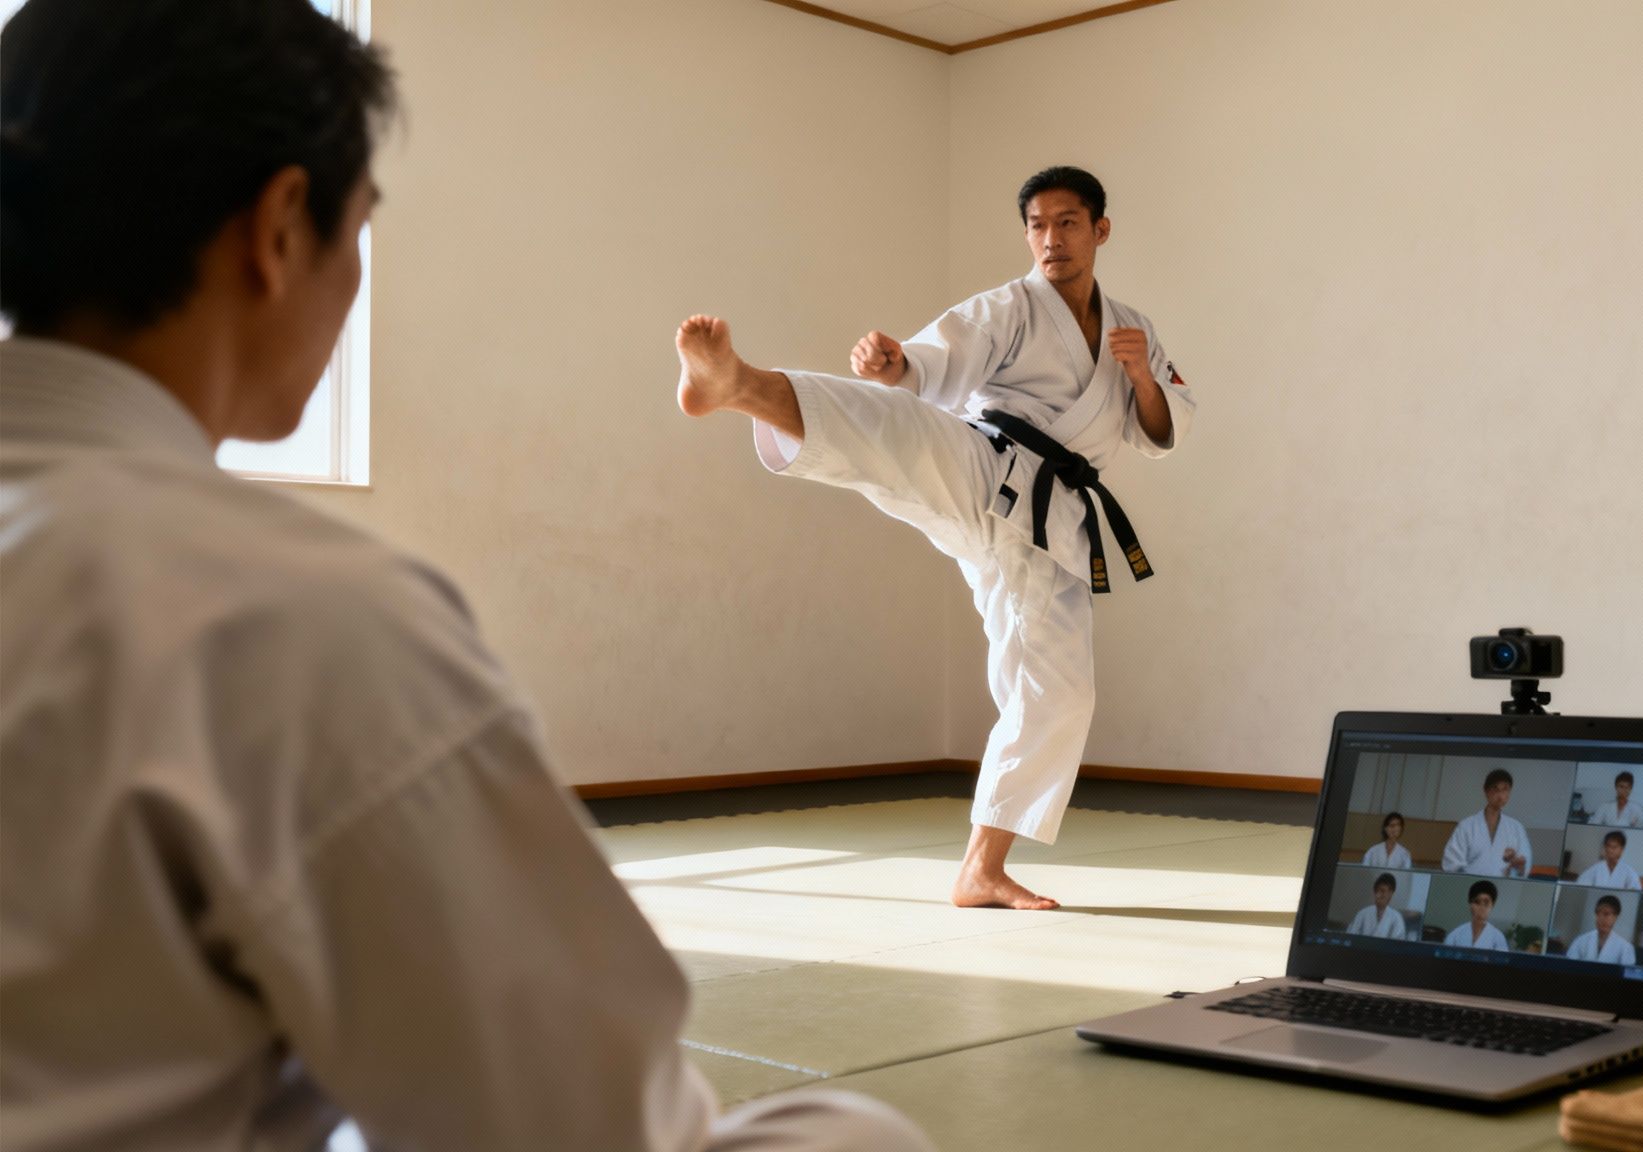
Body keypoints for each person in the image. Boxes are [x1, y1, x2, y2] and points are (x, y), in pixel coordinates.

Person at [0, 4, 932, 1150]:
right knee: (859, 1137)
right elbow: (591, 1129)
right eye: (362, 229)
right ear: (282, 225)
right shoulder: (294, 617)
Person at [671, 166, 1194, 911]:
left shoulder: (1130, 329)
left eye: (1069, 223)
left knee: (1062, 694)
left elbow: (1161, 428)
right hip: (986, 463)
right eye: (1038, 225)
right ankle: (741, 385)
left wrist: (1141, 374)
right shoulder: (1008, 308)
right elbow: (935, 360)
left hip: (1055, 526)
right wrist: (898, 365)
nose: (1052, 239)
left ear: (1100, 230)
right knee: (904, 434)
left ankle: (983, 867)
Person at [1439, 768, 1533, 877]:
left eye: (1505, 789)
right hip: (1470, 886)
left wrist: (1518, 866)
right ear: (1486, 791)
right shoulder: (1466, 826)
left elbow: (1525, 863)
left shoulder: (1517, 828)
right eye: (1495, 789)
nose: (1500, 795)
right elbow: (1451, 862)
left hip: (1503, 887)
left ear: (1509, 793)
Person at [1566, 896, 1638, 965]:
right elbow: (1568, 967)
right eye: (1597, 914)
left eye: (1606, 914)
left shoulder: (1625, 948)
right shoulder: (1580, 941)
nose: (1600, 918)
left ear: (1615, 917)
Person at [1443, 881, 1509, 951]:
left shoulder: (1498, 938)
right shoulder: (1455, 935)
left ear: (1492, 905)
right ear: (1470, 904)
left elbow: (1503, 961)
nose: (1481, 908)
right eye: (1477, 902)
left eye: (1486, 903)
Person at [1345, 872, 1408, 939]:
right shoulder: (1362, 913)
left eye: (1382, 891)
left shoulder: (1397, 918)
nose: (1377, 895)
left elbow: (1398, 944)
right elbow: (1350, 936)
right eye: (1376, 891)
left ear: (1390, 893)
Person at [1575, 830, 1643, 890]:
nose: (1610, 850)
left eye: (1614, 847)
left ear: (1622, 849)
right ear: (1605, 847)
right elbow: (1581, 883)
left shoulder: (1629, 872)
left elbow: (1635, 890)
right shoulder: (1596, 868)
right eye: (1608, 846)